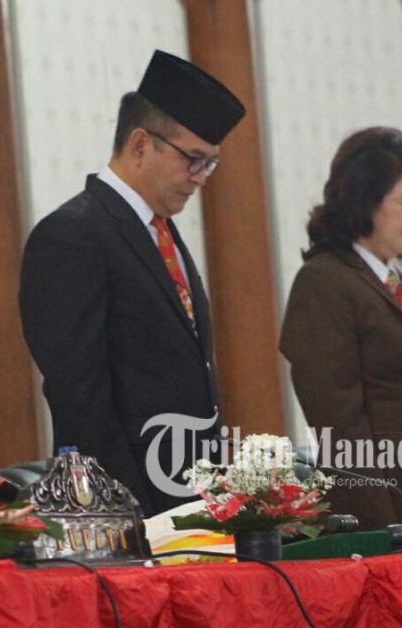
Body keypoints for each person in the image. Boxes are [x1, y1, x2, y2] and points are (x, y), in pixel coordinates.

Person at [19, 50, 245, 516]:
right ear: (141, 144)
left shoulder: (162, 233)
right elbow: (77, 392)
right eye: (193, 160)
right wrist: (126, 509)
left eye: (211, 165)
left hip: (194, 499)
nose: (200, 178)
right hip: (134, 505)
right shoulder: (74, 233)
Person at [279, 127, 402, 531]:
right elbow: (340, 424)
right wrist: (384, 524)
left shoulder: (393, 281)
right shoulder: (324, 280)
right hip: (384, 510)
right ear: (365, 197)